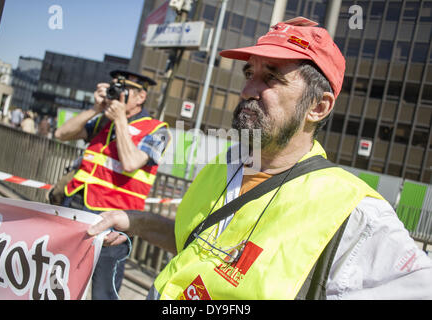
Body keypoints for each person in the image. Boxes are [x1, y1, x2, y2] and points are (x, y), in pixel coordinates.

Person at [88, 18, 432, 300]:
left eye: (271, 78)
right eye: (249, 74)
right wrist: (134, 221)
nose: (249, 90)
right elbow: (199, 244)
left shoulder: (351, 209)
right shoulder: (226, 164)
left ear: (318, 106)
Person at [55, 70, 170, 300]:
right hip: (77, 204)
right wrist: (95, 109)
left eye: (123, 90)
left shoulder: (157, 130)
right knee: (59, 277)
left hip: (114, 220)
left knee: (103, 292)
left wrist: (120, 120)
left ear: (140, 97)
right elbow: (61, 133)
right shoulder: (102, 120)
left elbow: (130, 163)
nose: (116, 95)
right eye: (114, 88)